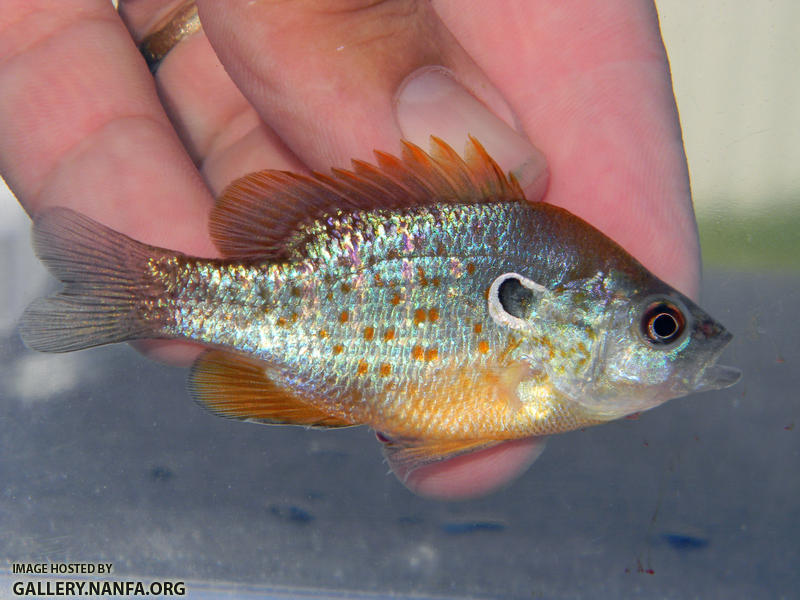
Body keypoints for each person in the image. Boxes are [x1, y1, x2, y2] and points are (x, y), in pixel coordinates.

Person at [0, 0, 701, 499]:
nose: (671, 342)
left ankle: (148, 296)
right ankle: (151, 294)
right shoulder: (551, 331)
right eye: (658, 326)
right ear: (581, 306)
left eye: (665, 328)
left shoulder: (554, 348)